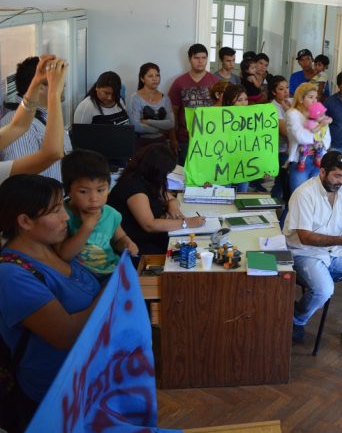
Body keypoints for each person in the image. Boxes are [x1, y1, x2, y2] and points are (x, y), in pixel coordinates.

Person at [0, 174, 101, 429]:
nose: (66, 216)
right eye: (55, 211)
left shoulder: (51, 248)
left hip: (88, 381)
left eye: (62, 206)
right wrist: (110, 294)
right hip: (56, 396)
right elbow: (65, 335)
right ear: (24, 221)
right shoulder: (12, 274)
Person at [284, 151, 342, 356]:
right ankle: (296, 319)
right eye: (336, 176)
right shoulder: (304, 194)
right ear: (323, 172)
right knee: (325, 289)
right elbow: (306, 237)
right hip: (302, 252)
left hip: (332, 250)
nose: (340, 181)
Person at [56, 150, 138, 282]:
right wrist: (87, 226)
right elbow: (64, 254)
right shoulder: (63, 215)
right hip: (82, 279)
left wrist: (127, 243)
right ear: (68, 190)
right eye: (83, 191)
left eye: (100, 190)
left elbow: (119, 239)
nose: (94, 199)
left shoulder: (111, 214)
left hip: (112, 273)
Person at [107, 144, 204, 255]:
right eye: (166, 172)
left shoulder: (148, 179)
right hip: (136, 245)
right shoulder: (134, 188)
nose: (167, 175)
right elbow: (150, 225)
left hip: (152, 238)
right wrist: (187, 223)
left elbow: (171, 198)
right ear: (156, 170)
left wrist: (172, 205)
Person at [0, 56, 72, 181]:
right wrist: (53, 93)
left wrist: (37, 81)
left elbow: (19, 126)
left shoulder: (38, 118)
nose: (64, 85)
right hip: (42, 200)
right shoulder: (17, 123)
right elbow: (52, 153)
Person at [168, 43, 219, 164]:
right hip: (186, 138)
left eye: (203, 58)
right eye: (196, 58)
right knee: (185, 177)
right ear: (189, 59)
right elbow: (172, 113)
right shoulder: (179, 82)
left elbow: (222, 110)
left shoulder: (216, 81)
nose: (200, 61)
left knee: (208, 177)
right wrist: (173, 138)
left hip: (210, 137)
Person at [285, 83, 332, 194]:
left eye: (316, 97)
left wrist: (318, 137)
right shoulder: (293, 114)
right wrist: (319, 130)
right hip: (300, 161)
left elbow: (327, 139)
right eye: (310, 97)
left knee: (315, 198)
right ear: (301, 99)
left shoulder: (320, 113)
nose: (314, 101)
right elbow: (300, 137)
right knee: (299, 197)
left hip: (318, 160)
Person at [128, 63, 175, 149]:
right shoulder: (135, 98)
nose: (155, 79)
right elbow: (136, 126)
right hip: (141, 144)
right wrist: (161, 129)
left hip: (162, 143)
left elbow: (171, 123)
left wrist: (148, 122)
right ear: (142, 79)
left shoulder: (165, 98)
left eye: (157, 75)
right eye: (150, 76)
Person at [220, 84, 251, 192]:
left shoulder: (252, 120)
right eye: (239, 100)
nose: (244, 103)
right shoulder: (219, 119)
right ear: (229, 101)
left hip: (243, 164)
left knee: (242, 195)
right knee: (224, 195)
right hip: (223, 166)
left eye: (246, 99)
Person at [267, 75, 291, 201]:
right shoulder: (273, 107)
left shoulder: (292, 102)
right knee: (281, 184)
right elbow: (285, 132)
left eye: (287, 87)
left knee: (284, 185)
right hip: (280, 150)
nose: (286, 91)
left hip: (293, 150)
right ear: (273, 91)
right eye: (281, 89)